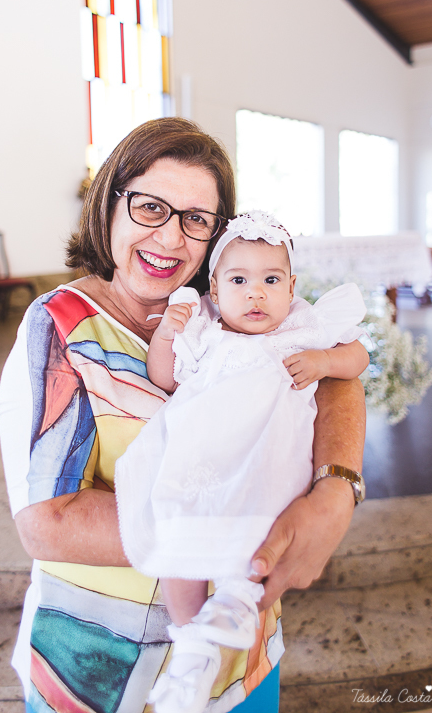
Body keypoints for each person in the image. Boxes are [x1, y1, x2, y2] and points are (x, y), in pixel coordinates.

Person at [0, 118, 367, 713]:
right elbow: (49, 522)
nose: (170, 238)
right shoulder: (62, 325)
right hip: (105, 669)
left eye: (196, 219)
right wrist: (231, 526)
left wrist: (337, 491)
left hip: (243, 656)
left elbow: (334, 376)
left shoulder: (239, 303)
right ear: (109, 206)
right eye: (149, 207)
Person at [115, 210, 368, 713]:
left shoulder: (301, 325)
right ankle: (190, 644)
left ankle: (237, 598)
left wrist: (323, 362)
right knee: (176, 530)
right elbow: (163, 377)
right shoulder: (205, 330)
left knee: (261, 522)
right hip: (204, 457)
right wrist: (167, 332)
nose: (256, 293)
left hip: (268, 456)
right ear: (214, 286)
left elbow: (357, 357)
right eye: (239, 280)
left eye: (271, 280)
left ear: (292, 285)